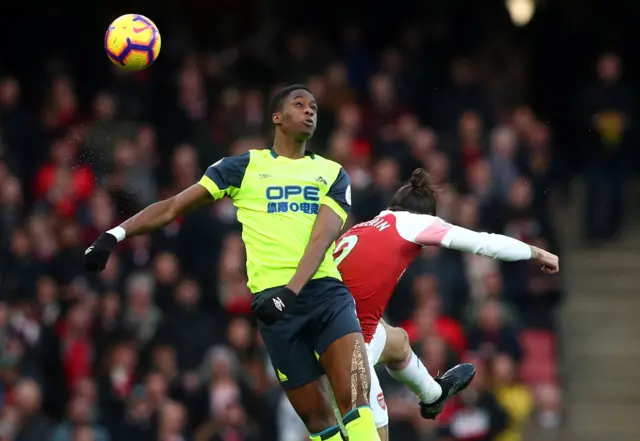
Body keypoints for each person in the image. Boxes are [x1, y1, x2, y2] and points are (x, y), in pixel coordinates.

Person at [84, 85, 380, 441]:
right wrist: (115, 234)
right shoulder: (243, 168)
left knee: (354, 400)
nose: (309, 111)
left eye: (314, 106)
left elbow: (321, 240)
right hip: (274, 308)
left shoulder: (333, 173)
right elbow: (173, 206)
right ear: (276, 117)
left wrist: (290, 291)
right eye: (299, 105)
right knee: (320, 424)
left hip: (324, 297)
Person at [334, 168, 559, 441]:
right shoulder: (413, 223)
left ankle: (433, 395)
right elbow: (483, 243)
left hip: (325, 331)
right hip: (350, 349)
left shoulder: (362, 229)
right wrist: (536, 253)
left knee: (397, 341)